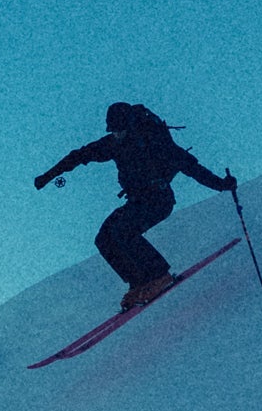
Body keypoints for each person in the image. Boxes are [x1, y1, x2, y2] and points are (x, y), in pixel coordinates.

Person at [37, 102, 238, 309]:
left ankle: (160, 275)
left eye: (120, 130)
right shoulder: (114, 143)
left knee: (122, 231)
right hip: (137, 201)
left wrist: (221, 184)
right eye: (113, 130)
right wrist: (48, 176)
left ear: (130, 125)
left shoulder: (154, 141)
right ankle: (139, 282)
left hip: (159, 200)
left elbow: (190, 167)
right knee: (104, 238)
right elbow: (79, 155)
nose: (116, 134)